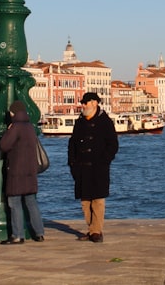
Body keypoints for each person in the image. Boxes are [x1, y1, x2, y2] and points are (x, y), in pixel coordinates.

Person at [67, 92, 119, 243]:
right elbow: (72, 144)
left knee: (97, 199)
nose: (83, 105)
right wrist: (72, 163)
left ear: (95, 103)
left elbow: (113, 144)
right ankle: (91, 229)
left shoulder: (105, 121)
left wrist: (104, 160)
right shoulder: (80, 122)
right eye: (82, 103)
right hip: (81, 167)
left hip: (98, 167)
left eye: (86, 103)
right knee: (85, 201)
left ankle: (96, 231)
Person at [0, 100, 45, 244]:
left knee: (14, 202)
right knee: (31, 202)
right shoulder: (30, 126)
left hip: (17, 171)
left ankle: (18, 235)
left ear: (13, 113)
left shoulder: (15, 127)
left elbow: (4, 146)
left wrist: (8, 130)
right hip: (30, 171)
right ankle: (39, 233)